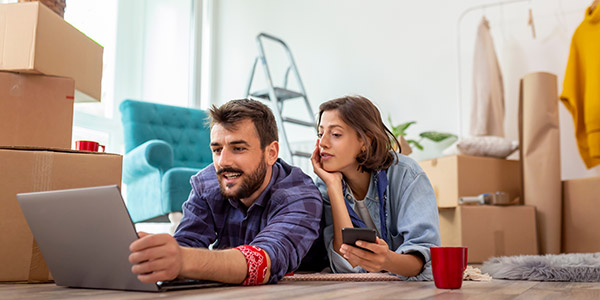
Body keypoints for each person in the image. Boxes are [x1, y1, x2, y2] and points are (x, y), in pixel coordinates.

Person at [128, 99, 323, 285]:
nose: (223, 161)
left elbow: (264, 262)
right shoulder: (207, 183)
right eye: (217, 149)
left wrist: (184, 260)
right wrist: (155, 256)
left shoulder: (300, 195)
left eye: (238, 148)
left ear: (271, 153)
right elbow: (187, 244)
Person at [311, 95, 441, 280]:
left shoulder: (407, 175)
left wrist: (387, 260)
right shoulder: (326, 183)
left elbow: (424, 261)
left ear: (365, 141)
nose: (323, 143)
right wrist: (333, 187)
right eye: (320, 133)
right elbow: (346, 266)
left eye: (336, 134)